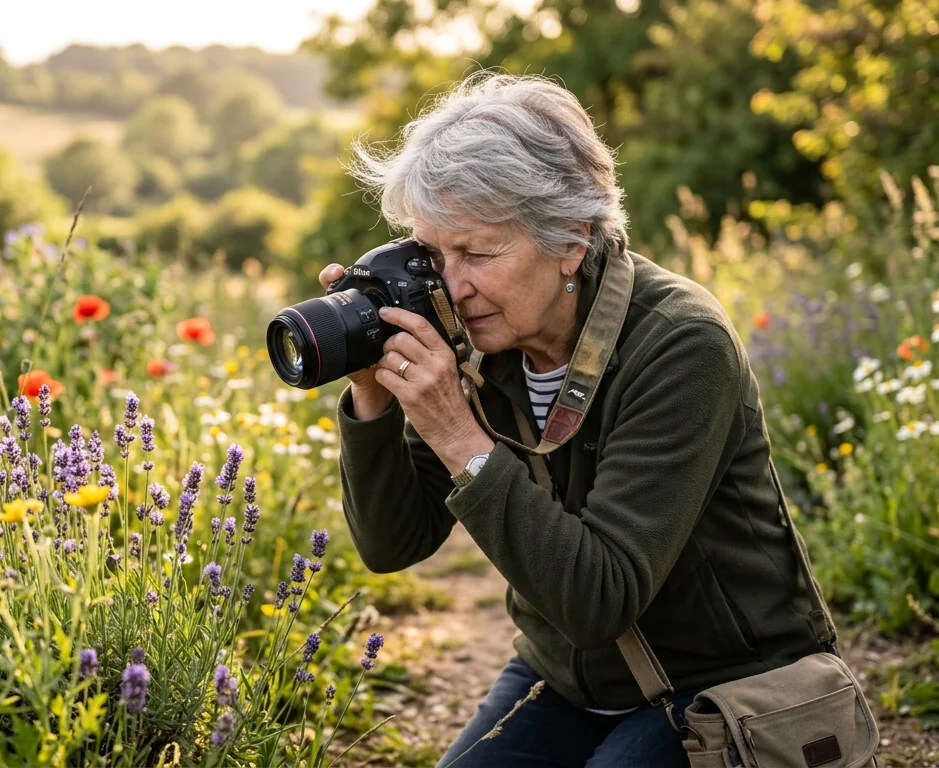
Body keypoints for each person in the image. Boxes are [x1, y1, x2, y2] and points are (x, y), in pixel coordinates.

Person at [323, 71, 829, 767]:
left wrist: (455, 431)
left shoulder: (682, 343)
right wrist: (372, 397)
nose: (453, 283)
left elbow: (600, 601)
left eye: (478, 252)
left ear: (572, 239)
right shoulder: (481, 335)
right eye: (434, 253)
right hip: (565, 679)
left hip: (723, 680)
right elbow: (393, 544)